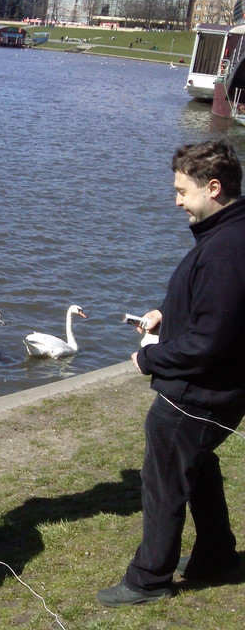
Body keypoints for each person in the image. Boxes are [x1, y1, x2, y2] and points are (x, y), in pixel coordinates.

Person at [98, 139, 245, 607]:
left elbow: (208, 341)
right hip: (217, 393)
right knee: (197, 466)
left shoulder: (226, 249)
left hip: (198, 397)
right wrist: (167, 312)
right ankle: (217, 556)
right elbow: (217, 307)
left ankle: (149, 578)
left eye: (183, 190)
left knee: (163, 480)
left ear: (214, 188)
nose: (176, 199)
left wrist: (149, 359)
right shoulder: (232, 232)